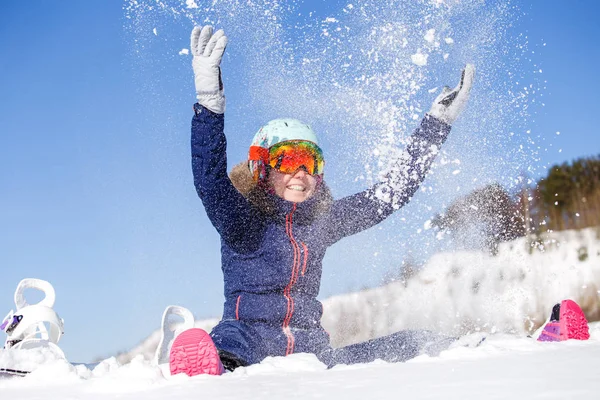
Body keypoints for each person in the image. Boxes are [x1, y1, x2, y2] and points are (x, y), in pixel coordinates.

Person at [168, 25, 475, 377]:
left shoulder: (322, 221)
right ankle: (210, 366)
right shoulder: (241, 220)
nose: (301, 172)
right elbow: (208, 178)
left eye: (311, 161)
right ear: (262, 168)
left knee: (412, 343)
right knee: (229, 347)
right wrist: (209, 100)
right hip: (246, 340)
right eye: (288, 158)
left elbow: (389, 195)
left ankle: (474, 348)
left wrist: (436, 124)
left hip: (309, 348)